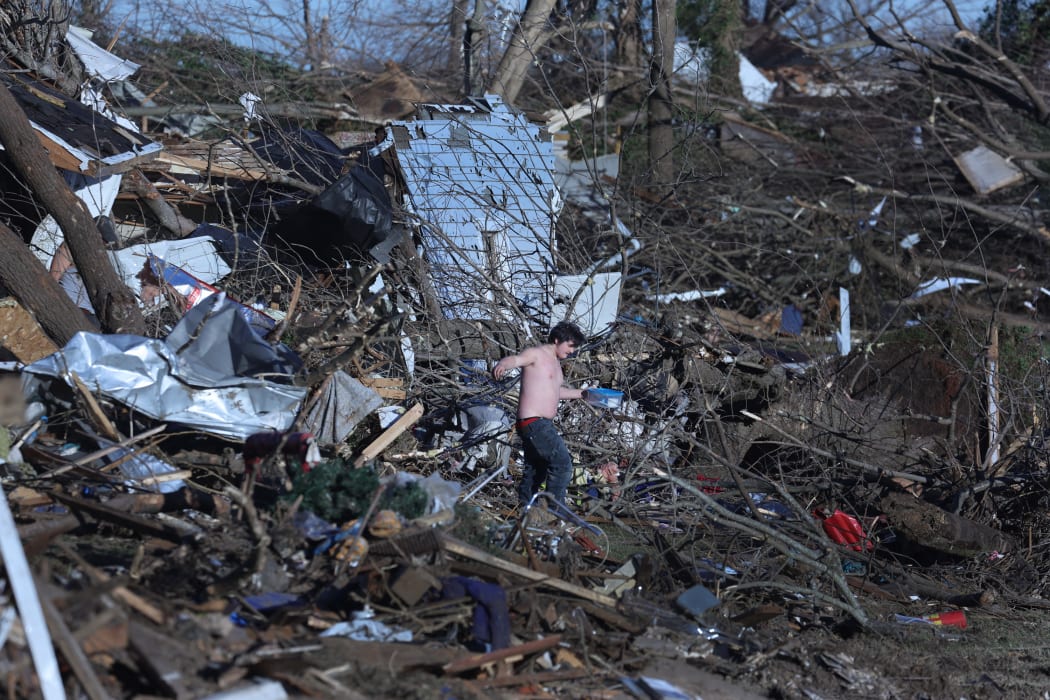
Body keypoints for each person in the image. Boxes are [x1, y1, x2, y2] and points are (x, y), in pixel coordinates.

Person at [493, 321, 588, 506]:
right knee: (562, 465)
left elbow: (556, 392)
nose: (573, 351)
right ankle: (554, 512)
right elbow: (515, 360)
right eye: (571, 345)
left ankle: (526, 512)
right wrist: (502, 365)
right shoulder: (536, 354)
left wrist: (582, 394)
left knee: (536, 469)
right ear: (557, 339)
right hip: (534, 422)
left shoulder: (557, 365)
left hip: (540, 423)